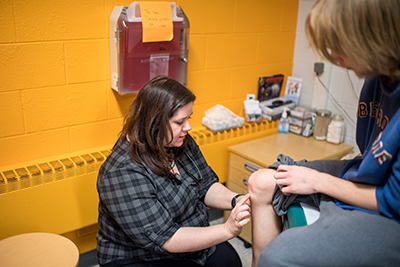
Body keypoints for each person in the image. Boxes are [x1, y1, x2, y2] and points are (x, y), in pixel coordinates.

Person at [248, 0, 400, 266]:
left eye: (339, 45)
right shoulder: (378, 76)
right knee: (261, 182)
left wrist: (318, 181)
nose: (333, 56)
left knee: (277, 258)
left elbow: (393, 200)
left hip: (391, 208)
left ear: (373, 37)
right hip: (372, 176)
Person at [96, 76, 251, 267]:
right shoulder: (121, 173)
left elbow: (206, 185)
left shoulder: (177, 141)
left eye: (189, 118)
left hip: (187, 235)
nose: (188, 127)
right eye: (180, 122)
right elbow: (166, 238)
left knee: (230, 263)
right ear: (153, 123)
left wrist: (237, 201)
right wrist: (227, 230)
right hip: (139, 255)